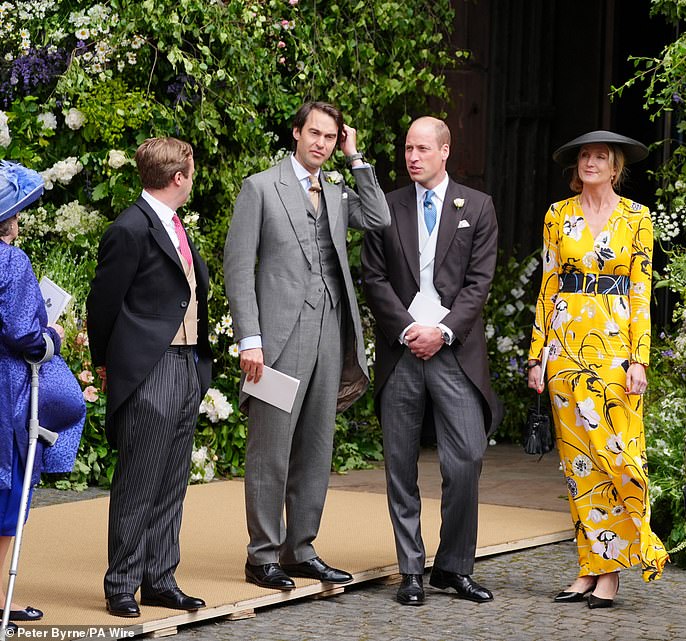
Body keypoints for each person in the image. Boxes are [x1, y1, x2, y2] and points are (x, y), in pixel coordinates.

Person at [224, 101, 390, 591]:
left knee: (316, 446)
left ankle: (300, 549)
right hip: (276, 340)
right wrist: (249, 340)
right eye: (314, 134)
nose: (321, 144)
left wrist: (357, 158)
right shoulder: (260, 187)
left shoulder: (338, 191)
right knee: (270, 450)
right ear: (296, 133)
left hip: (329, 335)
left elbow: (378, 217)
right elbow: (237, 267)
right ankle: (261, 556)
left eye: (331, 137)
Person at [361, 116, 501, 606]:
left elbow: (479, 282)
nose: (412, 157)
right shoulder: (387, 205)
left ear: (445, 151)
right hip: (401, 352)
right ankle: (411, 571)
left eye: (422, 148)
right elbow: (374, 277)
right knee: (400, 466)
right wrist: (405, 329)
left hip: (454, 353)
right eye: (407, 148)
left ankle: (454, 567)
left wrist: (440, 331)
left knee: (465, 461)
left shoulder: (478, 206)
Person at [526, 130, 669, 609]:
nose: (591, 162)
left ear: (616, 167)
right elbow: (547, 286)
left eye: (600, 156)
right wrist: (536, 354)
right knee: (578, 466)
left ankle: (627, 557)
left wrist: (639, 359)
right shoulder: (557, 215)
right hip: (565, 353)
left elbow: (641, 292)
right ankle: (593, 567)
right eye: (584, 155)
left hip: (614, 353)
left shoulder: (637, 217)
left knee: (618, 459)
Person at [87, 138, 212, 617]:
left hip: (185, 365)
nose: (193, 176)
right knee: (138, 482)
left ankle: (160, 578)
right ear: (179, 176)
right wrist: (109, 364)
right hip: (149, 369)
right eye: (191, 170)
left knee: (172, 481)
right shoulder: (130, 228)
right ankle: (121, 583)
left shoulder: (174, 224)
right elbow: (103, 304)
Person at [0, 162, 85, 627]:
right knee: (7, 491)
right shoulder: (10, 261)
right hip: (5, 386)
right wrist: (52, 333)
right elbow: (24, 338)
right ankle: (0, 602)